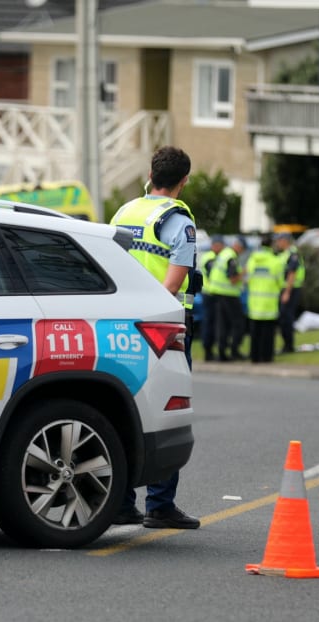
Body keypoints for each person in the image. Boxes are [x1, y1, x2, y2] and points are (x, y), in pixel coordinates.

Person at [108, 145, 200, 530]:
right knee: (165, 411)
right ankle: (160, 506)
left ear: (150, 172)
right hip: (163, 326)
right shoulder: (179, 221)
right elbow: (173, 283)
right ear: (184, 180)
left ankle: (121, 503)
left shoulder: (124, 212)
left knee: (123, 409)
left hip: (120, 322)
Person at [246, 234, 284, 363]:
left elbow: (247, 279)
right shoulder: (276, 261)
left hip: (255, 303)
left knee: (255, 333)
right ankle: (266, 358)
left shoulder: (252, 260)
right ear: (271, 245)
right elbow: (281, 282)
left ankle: (254, 357)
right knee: (268, 334)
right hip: (269, 304)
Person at [208, 237, 246, 361]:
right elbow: (233, 279)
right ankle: (234, 350)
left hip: (218, 294)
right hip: (228, 294)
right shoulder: (231, 257)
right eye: (243, 249)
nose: (242, 252)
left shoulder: (224, 254)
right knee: (238, 323)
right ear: (238, 246)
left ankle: (222, 353)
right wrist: (244, 273)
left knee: (222, 325)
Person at [274, 232, 305, 354]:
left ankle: (289, 346)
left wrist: (287, 292)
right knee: (283, 318)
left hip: (291, 290)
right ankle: (286, 345)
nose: (277, 243)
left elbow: (292, 273)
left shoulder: (292, 253)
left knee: (286, 318)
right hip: (286, 289)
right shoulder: (284, 254)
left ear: (285, 240)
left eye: (278, 240)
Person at [199, 236, 225, 361]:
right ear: (214, 245)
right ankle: (208, 351)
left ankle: (213, 349)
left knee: (216, 324)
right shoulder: (210, 258)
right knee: (209, 323)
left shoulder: (217, 257)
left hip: (215, 294)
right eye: (220, 245)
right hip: (209, 294)